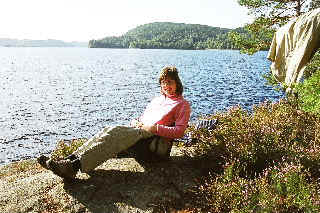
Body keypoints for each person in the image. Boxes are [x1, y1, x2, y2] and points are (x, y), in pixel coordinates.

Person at [38, 66, 191, 181]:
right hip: (141, 134)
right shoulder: (157, 100)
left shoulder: (182, 104)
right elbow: (142, 117)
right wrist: (136, 121)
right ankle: (69, 161)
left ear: (177, 83)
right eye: (163, 83)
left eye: (169, 82)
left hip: (154, 145)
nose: (166, 86)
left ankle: (73, 167)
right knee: (108, 130)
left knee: (115, 132)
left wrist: (154, 127)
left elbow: (179, 132)